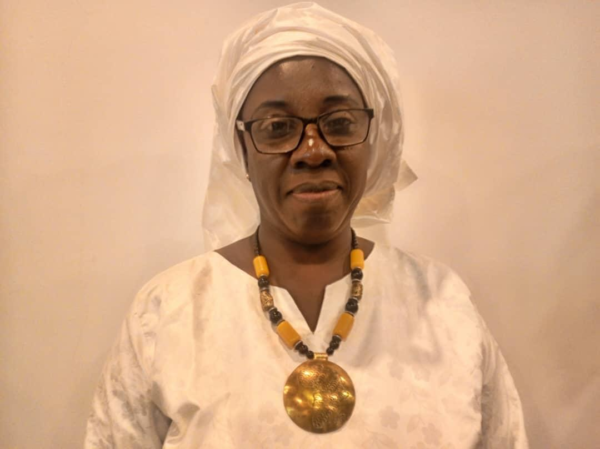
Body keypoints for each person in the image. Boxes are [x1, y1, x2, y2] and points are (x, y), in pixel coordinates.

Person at [85, 3, 528, 448]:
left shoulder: (443, 306)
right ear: (241, 146)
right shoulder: (167, 314)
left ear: (373, 138)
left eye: (340, 123)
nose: (313, 151)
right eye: (278, 127)